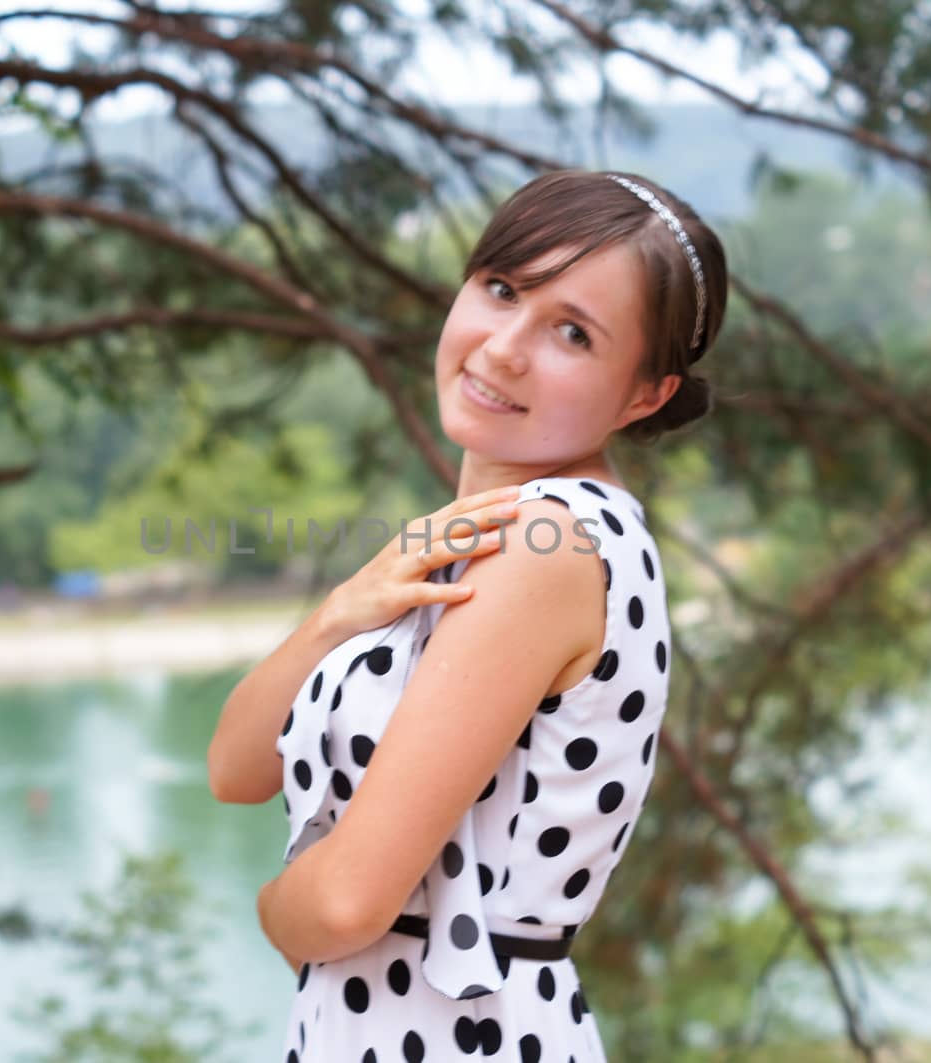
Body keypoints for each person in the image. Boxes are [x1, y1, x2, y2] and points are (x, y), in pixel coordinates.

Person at [207, 169, 728, 1061]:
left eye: (572, 332)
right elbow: (235, 767)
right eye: (502, 289)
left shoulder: (552, 546)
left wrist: (274, 909)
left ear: (646, 394)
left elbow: (341, 908)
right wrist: (342, 610)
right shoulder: (472, 545)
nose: (505, 348)